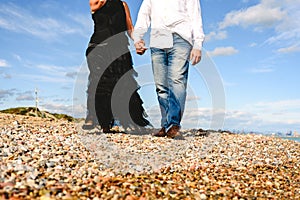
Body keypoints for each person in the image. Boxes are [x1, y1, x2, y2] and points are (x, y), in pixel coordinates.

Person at [133, 0, 205, 138]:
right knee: (161, 85)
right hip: (158, 38)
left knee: (177, 80)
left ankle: (173, 123)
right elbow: (144, 14)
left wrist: (198, 44)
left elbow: (195, 16)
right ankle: (166, 125)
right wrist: (138, 38)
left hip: (180, 37)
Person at [83, 0, 150, 132]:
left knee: (123, 82)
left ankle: (115, 121)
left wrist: (137, 41)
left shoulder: (123, 5)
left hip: (119, 48)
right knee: (99, 80)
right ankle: (93, 117)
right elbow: (96, 4)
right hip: (98, 47)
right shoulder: (96, 2)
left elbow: (130, 28)